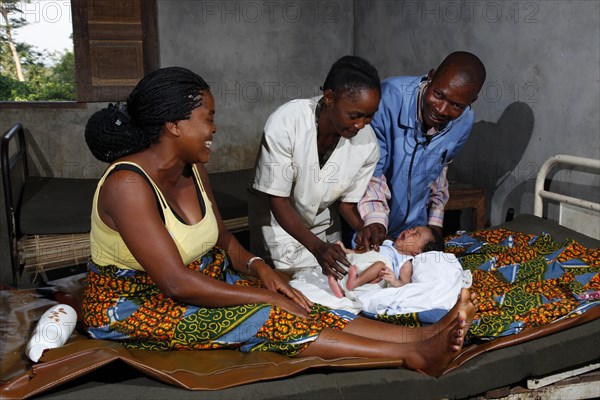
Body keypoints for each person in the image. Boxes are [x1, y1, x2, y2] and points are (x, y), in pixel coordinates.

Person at [81, 66, 475, 378]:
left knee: (298, 298)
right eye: (208, 118)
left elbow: (221, 239)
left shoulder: (192, 167)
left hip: (202, 280)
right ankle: (411, 355)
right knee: (270, 315)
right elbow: (175, 282)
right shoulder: (128, 185)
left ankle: (423, 335)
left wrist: (259, 268)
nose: (214, 128)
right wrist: (265, 294)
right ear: (174, 125)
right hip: (136, 303)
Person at [248, 56, 381, 280]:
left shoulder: (368, 144)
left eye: (369, 116)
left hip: (322, 232)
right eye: (354, 116)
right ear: (329, 97)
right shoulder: (287, 123)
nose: (361, 125)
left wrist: (363, 227)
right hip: (279, 227)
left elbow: (347, 205)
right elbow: (277, 200)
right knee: (293, 291)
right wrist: (317, 248)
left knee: (333, 287)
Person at [356, 51, 487, 250]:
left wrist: (434, 224)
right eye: (438, 95)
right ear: (431, 76)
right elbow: (371, 170)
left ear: (472, 101)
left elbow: (440, 170)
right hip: (368, 223)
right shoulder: (388, 98)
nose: (442, 110)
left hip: (412, 228)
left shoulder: (464, 121)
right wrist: (376, 221)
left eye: (457, 105)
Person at [327, 226, 444, 298]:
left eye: (415, 234)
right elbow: (365, 254)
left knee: (379, 265)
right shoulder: (388, 244)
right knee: (355, 258)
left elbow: (405, 284)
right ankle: (340, 289)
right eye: (412, 229)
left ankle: (354, 283)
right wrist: (347, 251)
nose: (409, 232)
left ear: (417, 252)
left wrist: (394, 280)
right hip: (363, 264)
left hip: (377, 275)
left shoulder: (405, 262)